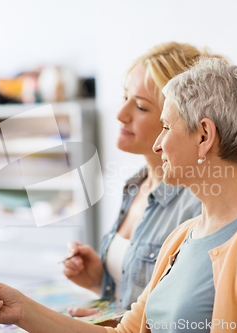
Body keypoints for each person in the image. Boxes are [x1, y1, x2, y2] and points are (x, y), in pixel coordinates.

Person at [0, 57, 237, 332]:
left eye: (167, 126)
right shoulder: (183, 236)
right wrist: (22, 311)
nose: (157, 143)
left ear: (204, 136)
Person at [62, 42, 204, 313]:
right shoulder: (135, 184)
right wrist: (97, 280)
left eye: (140, 106)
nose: (120, 114)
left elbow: (184, 319)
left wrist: (112, 324)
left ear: (175, 119)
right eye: (124, 96)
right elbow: (130, 293)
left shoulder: (197, 206)